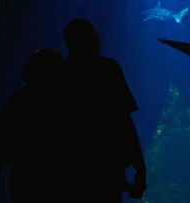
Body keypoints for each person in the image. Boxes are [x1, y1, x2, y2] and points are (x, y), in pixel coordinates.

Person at [62, 18, 147, 203]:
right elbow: (125, 123)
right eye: (94, 38)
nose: (98, 42)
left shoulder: (59, 74)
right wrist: (140, 170)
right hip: (107, 169)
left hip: (69, 173)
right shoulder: (108, 69)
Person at [0, 48, 68, 203]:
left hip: (25, 172)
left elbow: (3, 126)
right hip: (56, 173)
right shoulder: (66, 100)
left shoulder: (21, 97)